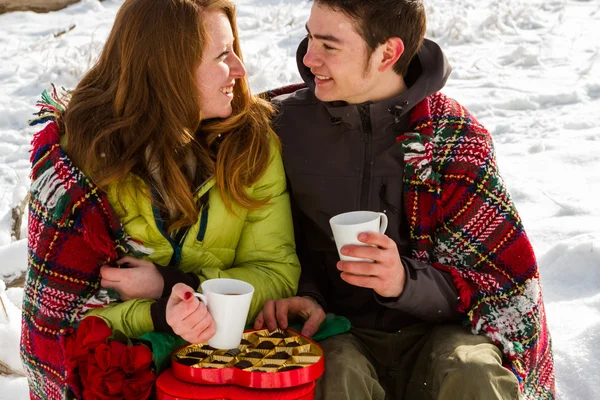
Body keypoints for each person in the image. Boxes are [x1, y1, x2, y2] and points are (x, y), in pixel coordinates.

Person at [254, 0, 555, 399]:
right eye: (309, 37)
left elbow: (495, 285)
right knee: (331, 375)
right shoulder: (278, 127)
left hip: (437, 335)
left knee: (474, 372)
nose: (309, 58)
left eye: (329, 45)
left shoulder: (454, 138)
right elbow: (264, 241)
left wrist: (403, 282)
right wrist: (307, 295)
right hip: (336, 330)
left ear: (388, 53)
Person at [20, 0, 300, 398]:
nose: (240, 69)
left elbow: (275, 270)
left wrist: (174, 287)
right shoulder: (80, 164)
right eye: (222, 55)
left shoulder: (251, 145)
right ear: (169, 70)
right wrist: (157, 315)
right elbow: (65, 322)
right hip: (116, 373)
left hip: (224, 367)